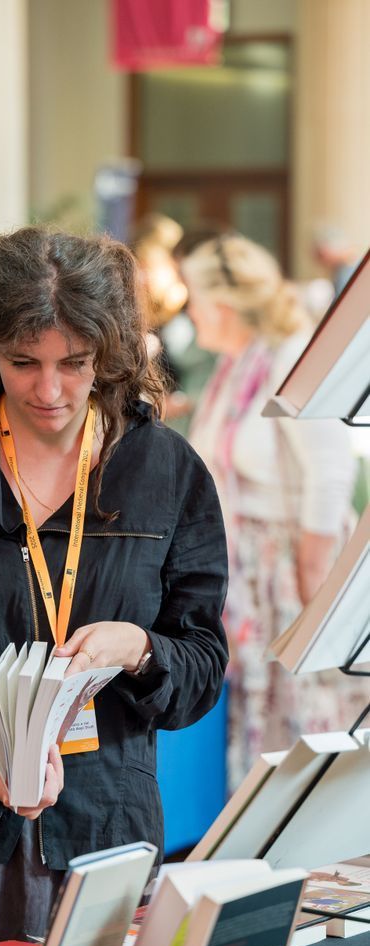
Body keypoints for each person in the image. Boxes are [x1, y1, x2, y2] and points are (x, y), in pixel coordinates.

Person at [0, 226, 229, 946]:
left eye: (76, 364)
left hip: (105, 835)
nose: (49, 390)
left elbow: (201, 664)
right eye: (22, 362)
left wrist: (140, 648)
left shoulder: (166, 470)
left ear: (112, 353)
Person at [181, 234, 360, 791]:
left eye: (192, 297)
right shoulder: (238, 364)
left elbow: (331, 474)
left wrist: (312, 581)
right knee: (266, 723)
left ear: (221, 306)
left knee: (304, 720)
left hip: (295, 567)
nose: (188, 310)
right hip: (253, 567)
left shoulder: (290, 355)